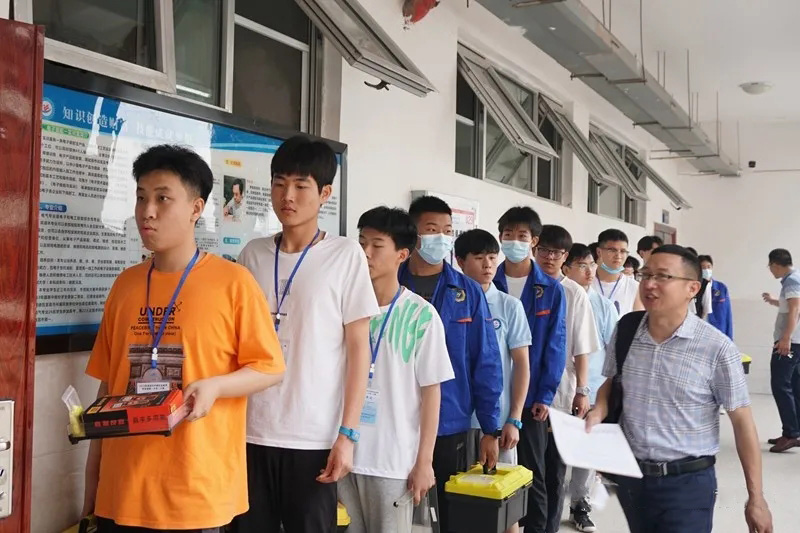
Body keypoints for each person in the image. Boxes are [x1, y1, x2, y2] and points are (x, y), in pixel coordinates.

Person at [82, 145, 286, 532]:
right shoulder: (125, 285)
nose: (147, 211)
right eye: (141, 197)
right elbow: (108, 388)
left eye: (162, 198)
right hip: (122, 492)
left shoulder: (233, 283)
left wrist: (215, 387)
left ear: (196, 208)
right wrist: (94, 479)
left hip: (196, 493)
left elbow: (270, 368)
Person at [235, 136, 379, 532]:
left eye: (301, 186)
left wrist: (347, 434)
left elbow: (359, 351)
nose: (287, 196)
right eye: (279, 183)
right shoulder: (252, 254)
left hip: (313, 437)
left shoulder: (345, 255)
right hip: (251, 431)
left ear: (325, 194)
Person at [586, 245, 773, 533]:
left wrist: (756, 498)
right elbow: (611, 381)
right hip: (632, 478)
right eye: (646, 274)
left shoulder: (717, 348)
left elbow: (742, 422)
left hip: (687, 483)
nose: (649, 284)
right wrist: (599, 410)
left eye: (663, 276)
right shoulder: (626, 329)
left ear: (692, 288)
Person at [338, 207, 454, 533]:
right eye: (362, 242)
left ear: (402, 254)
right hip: (341, 453)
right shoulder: (342, 306)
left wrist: (424, 461)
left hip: (392, 462)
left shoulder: (421, 315)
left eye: (377, 245)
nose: (365, 252)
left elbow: (432, 393)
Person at [399, 195, 503, 533]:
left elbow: (486, 360)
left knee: (447, 514)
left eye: (447, 230)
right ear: (413, 234)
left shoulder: (467, 292)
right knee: (392, 511)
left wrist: (490, 428)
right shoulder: (389, 282)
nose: (441, 238)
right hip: (392, 419)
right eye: (432, 229)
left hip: (448, 420)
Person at [492, 206, 567, 533]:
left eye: (521, 235)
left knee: (533, 472)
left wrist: (545, 395)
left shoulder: (550, 289)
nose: (514, 241)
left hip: (531, 395)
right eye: (508, 234)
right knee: (491, 469)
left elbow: (555, 345)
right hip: (492, 394)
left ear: (534, 241)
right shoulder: (488, 282)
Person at [455, 229, 532, 533]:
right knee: (462, 500)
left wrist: (514, 418)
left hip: (497, 421)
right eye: (479, 258)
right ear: (460, 261)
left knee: (504, 503)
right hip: (459, 420)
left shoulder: (509, 306)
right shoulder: (451, 303)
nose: (488, 264)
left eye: (492, 257)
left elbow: (522, 365)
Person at [536, 226, 599, 533]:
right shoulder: (526, 285)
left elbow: (581, 348)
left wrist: (582, 391)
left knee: (554, 468)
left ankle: (548, 527)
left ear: (565, 256)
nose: (550, 257)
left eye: (557, 252)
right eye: (544, 250)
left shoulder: (573, 292)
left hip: (561, 390)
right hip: (522, 391)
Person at [562, 243, 618, 532]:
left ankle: (580, 505)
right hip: (559, 388)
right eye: (581, 266)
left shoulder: (603, 306)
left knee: (584, 451)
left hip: (591, 389)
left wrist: (600, 394)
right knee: (555, 452)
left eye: (591, 265)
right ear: (566, 268)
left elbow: (612, 352)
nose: (589, 272)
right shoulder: (559, 296)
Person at [762, 248, 800, 453]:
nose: (770, 270)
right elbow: (790, 305)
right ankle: (794, 431)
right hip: (796, 342)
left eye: (770, 266)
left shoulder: (792, 281)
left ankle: (791, 434)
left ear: (776, 264)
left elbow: (795, 309)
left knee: (780, 385)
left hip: (790, 343)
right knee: (793, 384)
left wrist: (786, 338)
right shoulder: (794, 279)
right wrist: (773, 301)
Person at [595, 229, 643, 315]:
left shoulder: (635, 288)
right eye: (612, 250)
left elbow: (637, 320)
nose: (618, 256)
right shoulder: (586, 283)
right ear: (599, 252)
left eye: (623, 251)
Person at [698, 255, 733, 340]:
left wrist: (729, 338)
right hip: (699, 333)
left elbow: (728, 314)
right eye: (703, 267)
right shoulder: (694, 288)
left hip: (718, 333)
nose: (706, 270)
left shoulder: (721, 288)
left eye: (708, 267)